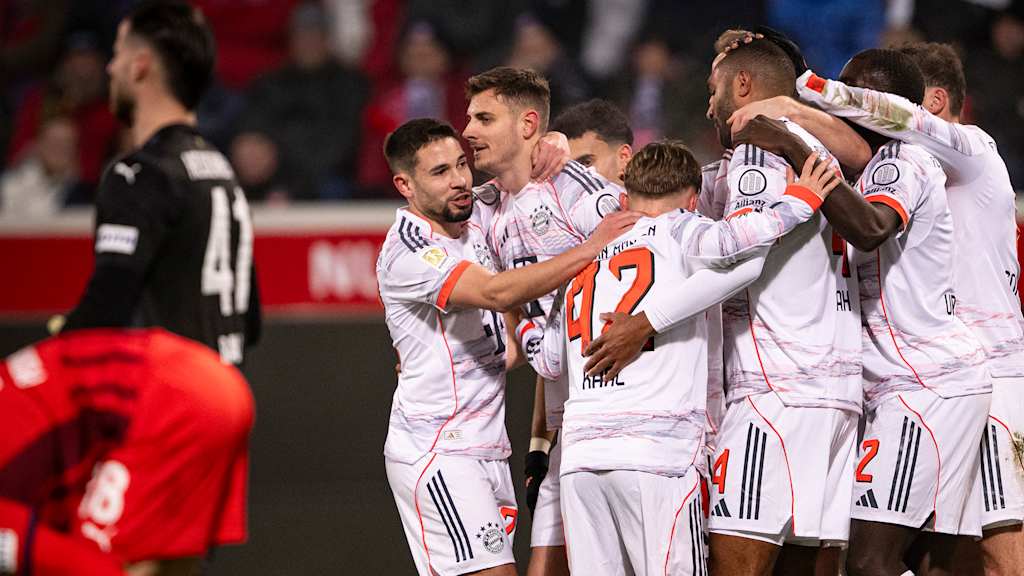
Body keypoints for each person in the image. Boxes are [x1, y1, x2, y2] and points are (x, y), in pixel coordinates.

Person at [526, 138, 839, 574]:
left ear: (624, 197)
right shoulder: (680, 228)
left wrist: (520, 321)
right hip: (658, 454)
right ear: (693, 200)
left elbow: (547, 362)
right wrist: (802, 198)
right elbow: (736, 240)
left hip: (581, 460)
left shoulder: (584, 257)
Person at [784, 46, 1010, 576]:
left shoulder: (922, 156)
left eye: (854, 97)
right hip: (925, 377)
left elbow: (870, 226)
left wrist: (794, 126)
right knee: (933, 563)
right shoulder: (871, 166)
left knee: (873, 562)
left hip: (936, 381)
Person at [377, 118, 637, 576]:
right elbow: (498, 293)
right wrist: (590, 249)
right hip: (439, 450)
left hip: (487, 448)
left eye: (461, 163)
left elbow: (501, 348)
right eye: (440, 172)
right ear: (405, 185)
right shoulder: (410, 249)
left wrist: (553, 142)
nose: (460, 179)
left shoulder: (470, 221)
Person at [461, 67, 629, 576]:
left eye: (484, 118)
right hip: (564, 428)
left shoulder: (575, 189)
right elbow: (519, 324)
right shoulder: (483, 211)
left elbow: (639, 260)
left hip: (619, 419)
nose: (469, 130)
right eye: (469, 117)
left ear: (528, 123)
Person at [60, 1, 260, 367]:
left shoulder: (139, 173)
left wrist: (53, 347)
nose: (110, 67)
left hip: (166, 400)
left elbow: (109, 302)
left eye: (118, 52)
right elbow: (250, 320)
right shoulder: (222, 171)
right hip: (228, 389)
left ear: (141, 66)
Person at [0, 328, 254, 576]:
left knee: (110, 562)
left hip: (166, 402)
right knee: (169, 560)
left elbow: (81, 566)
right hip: (202, 374)